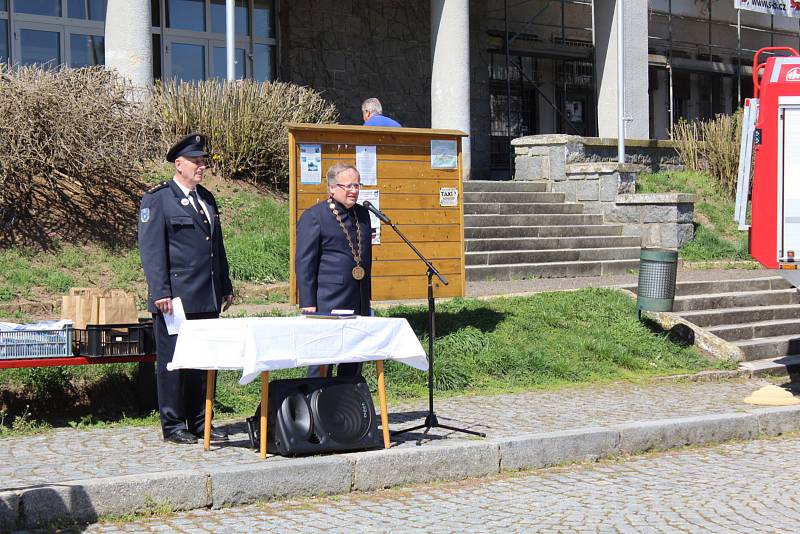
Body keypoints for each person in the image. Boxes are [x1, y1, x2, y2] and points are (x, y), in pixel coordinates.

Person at [138, 133, 234, 445]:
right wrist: (160, 291)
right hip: (175, 298)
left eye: (203, 161)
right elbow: (152, 252)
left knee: (204, 362)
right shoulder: (158, 199)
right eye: (196, 161)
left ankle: (200, 420)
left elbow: (215, 248)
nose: (201, 166)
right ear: (179, 165)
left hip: (206, 295)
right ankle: (173, 423)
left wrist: (225, 285)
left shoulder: (206, 198)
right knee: (174, 363)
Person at [295, 163, 372, 377]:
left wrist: (367, 298)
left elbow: (364, 259)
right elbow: (304, 261)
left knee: (354, 359)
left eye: (357, 185)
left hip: (357, 298)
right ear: (331, 188)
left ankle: (347, 405)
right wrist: (307, 301)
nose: (354, 190)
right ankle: (316, 404)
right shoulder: (315, 216)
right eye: (347, 186)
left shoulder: (363, 215)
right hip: (327, 300)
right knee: (323, 360)